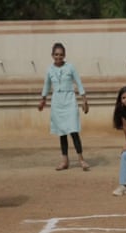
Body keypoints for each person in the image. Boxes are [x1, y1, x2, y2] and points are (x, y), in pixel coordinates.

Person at [38, 42, 90, 171]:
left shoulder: (70, 67)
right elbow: (47, 85)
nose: (58, 57)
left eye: (61, 55)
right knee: (62, 133)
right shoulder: (49, 69)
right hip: (57, 102)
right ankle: (64, 161)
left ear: (64, 55)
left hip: (70, 100)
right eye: (56, 54)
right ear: (52, 55)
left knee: (73, 130)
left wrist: (84, 99)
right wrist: (43, 99)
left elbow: (78, 82)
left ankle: (81, 159)